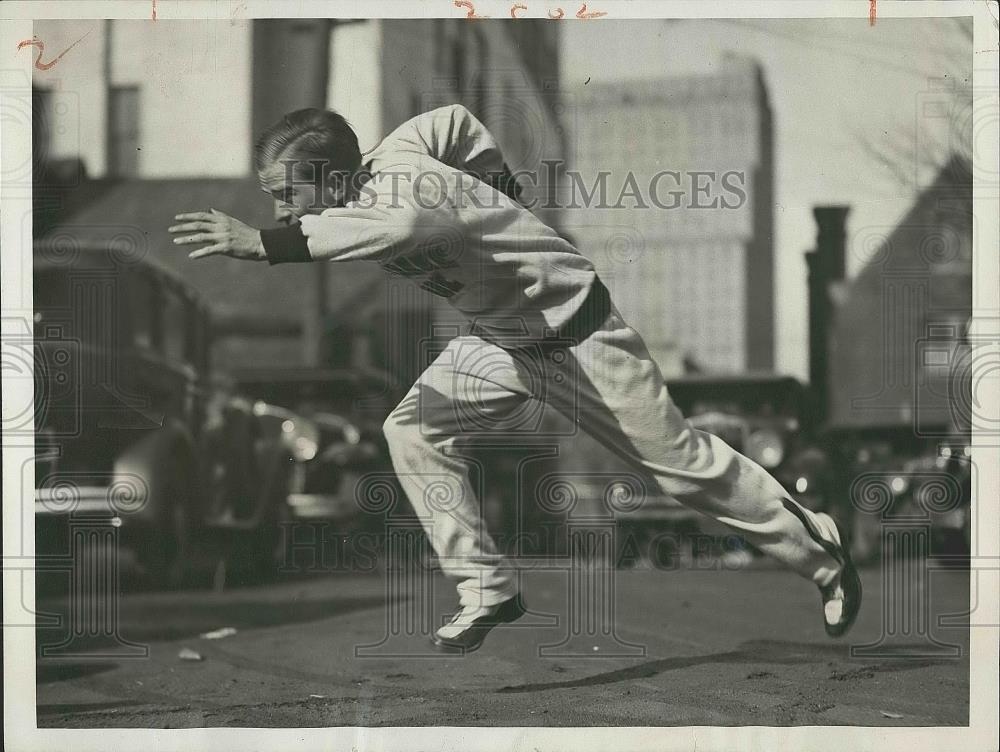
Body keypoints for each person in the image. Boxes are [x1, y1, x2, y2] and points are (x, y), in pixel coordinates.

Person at [169, 104, 861, 653]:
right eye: (272, 203)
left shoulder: (406, 191)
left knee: (682, 469)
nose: (282, 211)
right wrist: (499, 189)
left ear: (327, 175)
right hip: (502, 342)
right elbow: (456, 121)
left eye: (286, 195)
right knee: (410, 427)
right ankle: (486, 587)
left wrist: (263, 247)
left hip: (580, 338)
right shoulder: (401, 150)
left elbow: (402, 224)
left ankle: (823, 557)